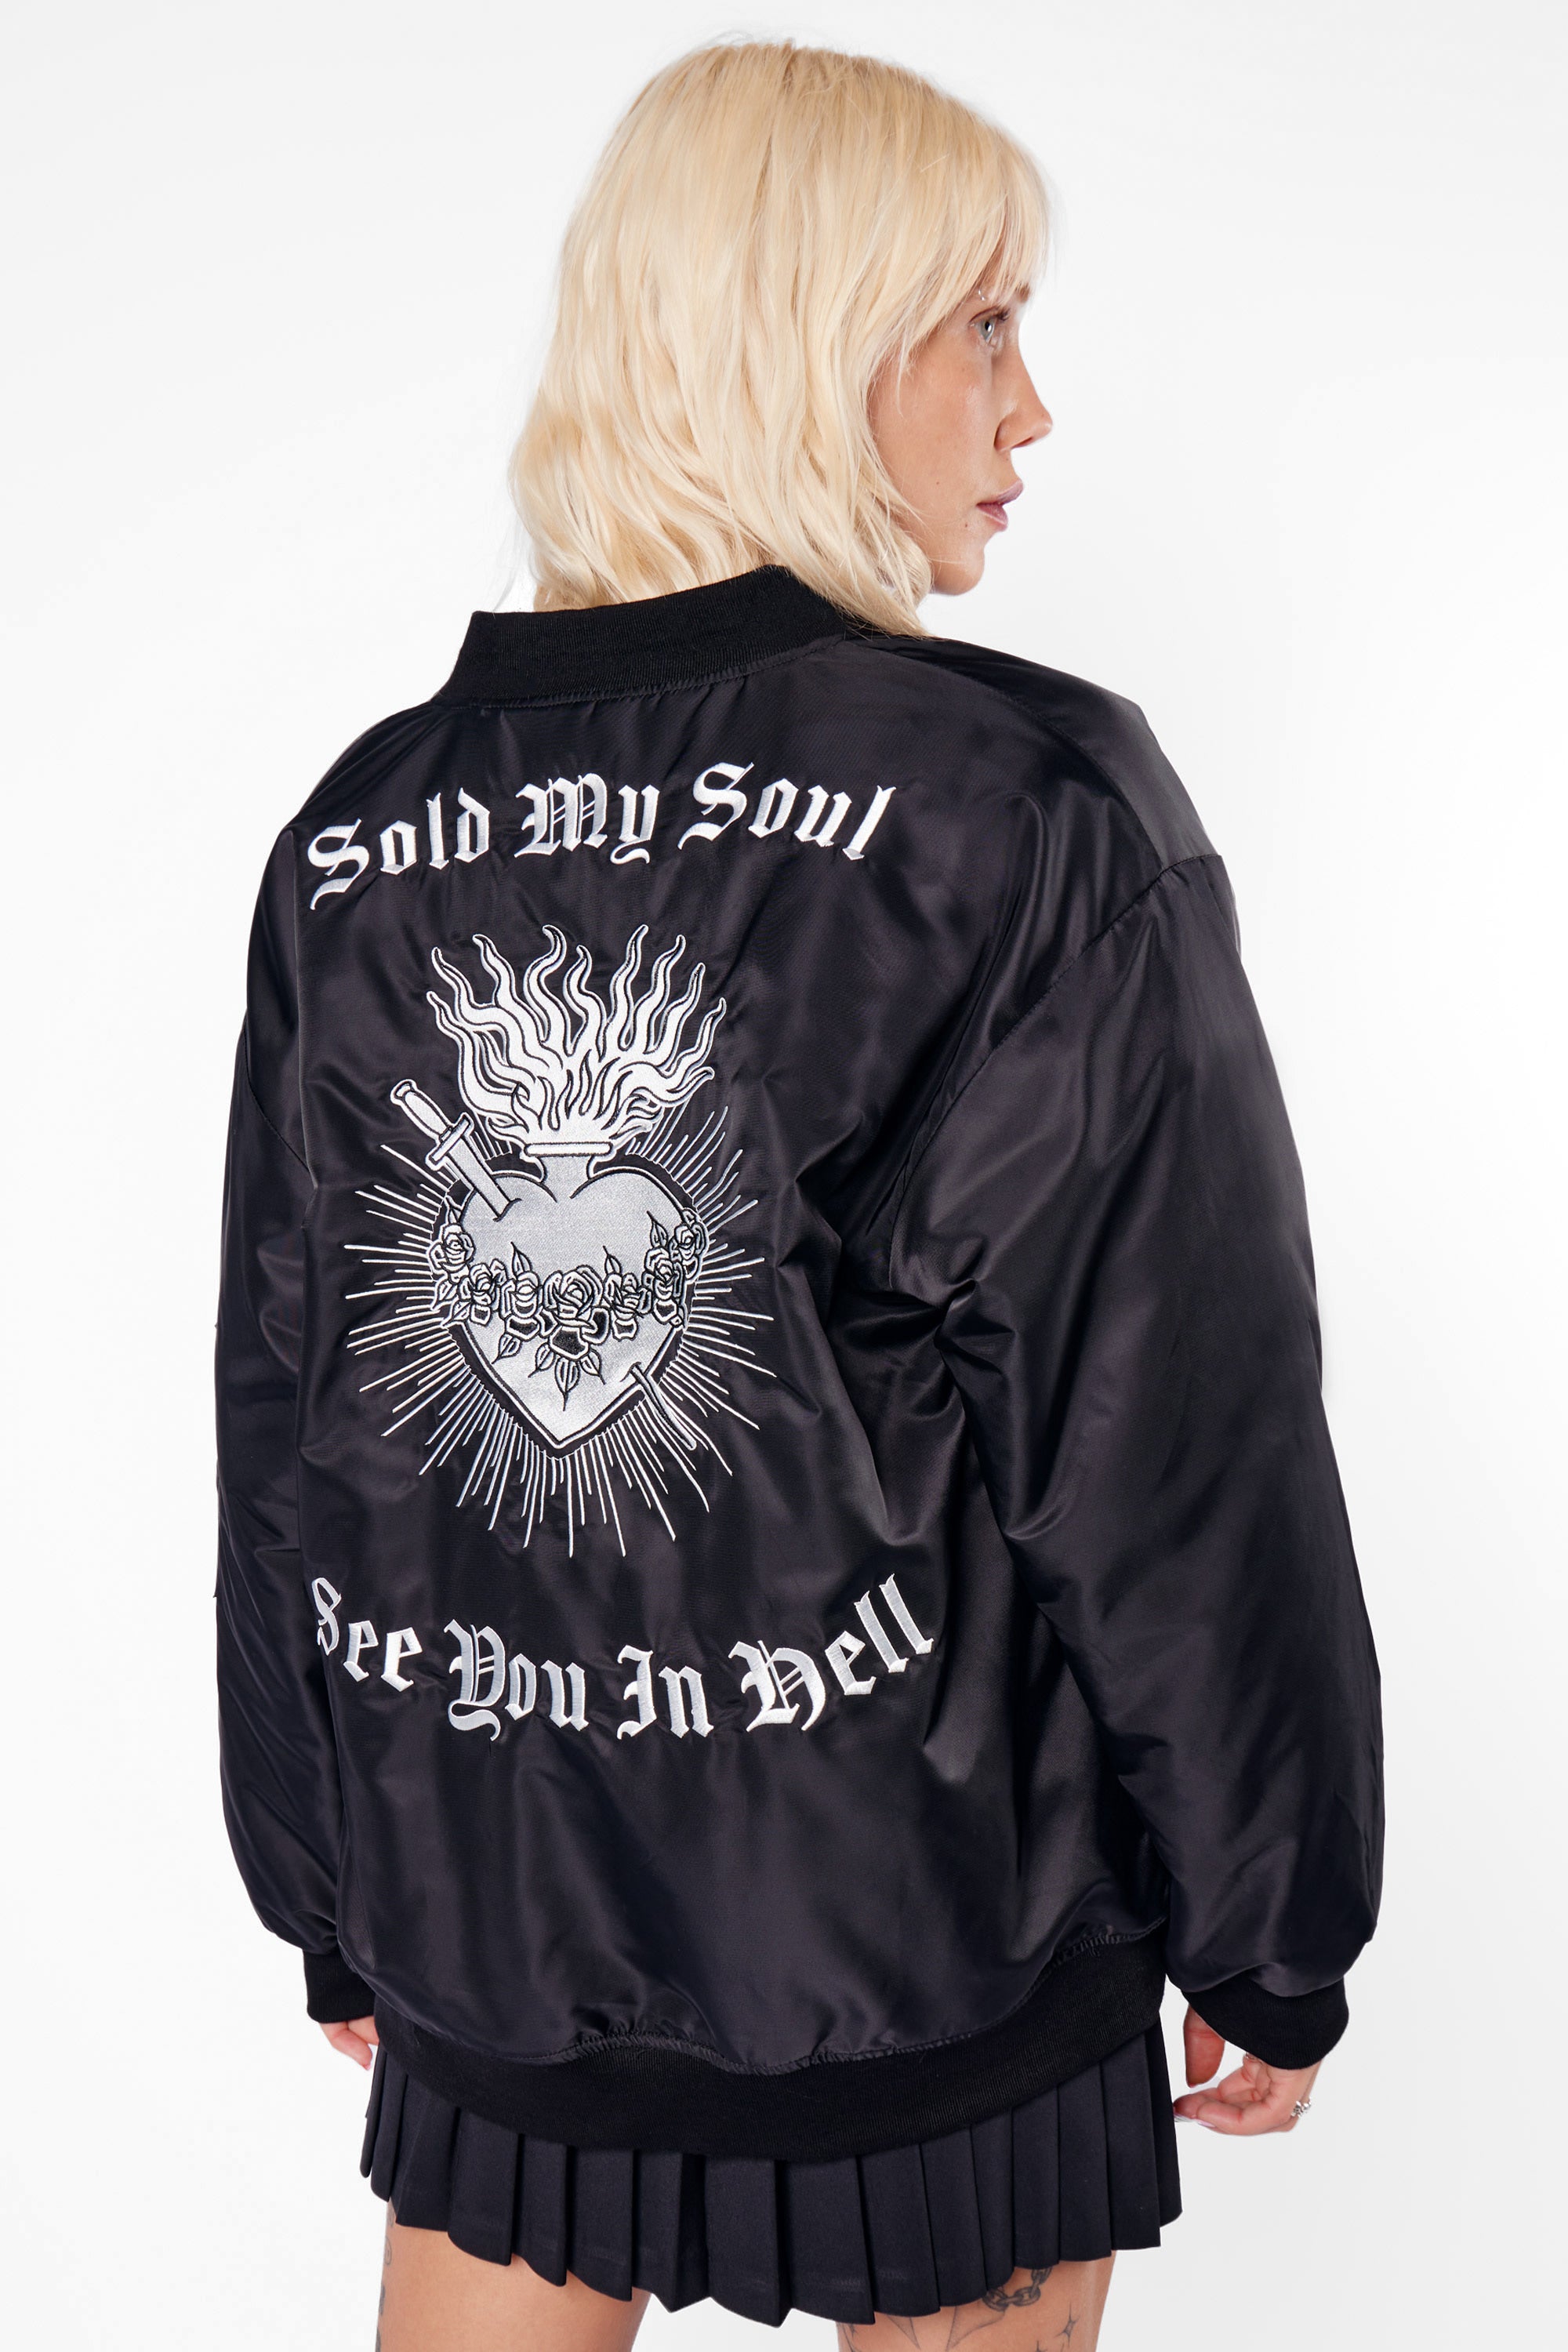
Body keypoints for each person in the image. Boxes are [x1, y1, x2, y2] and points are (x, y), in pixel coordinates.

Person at [213, 38, 1383, 2352]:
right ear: (809, 341)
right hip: (936, 1951)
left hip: (499, 1923)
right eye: (984, 325)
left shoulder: (362, 833)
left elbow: (293, 1414)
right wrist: (1277, 1924)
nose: (1030, 410)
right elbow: (1168, 1431)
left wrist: (333, 1883)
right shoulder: (1024, 806)